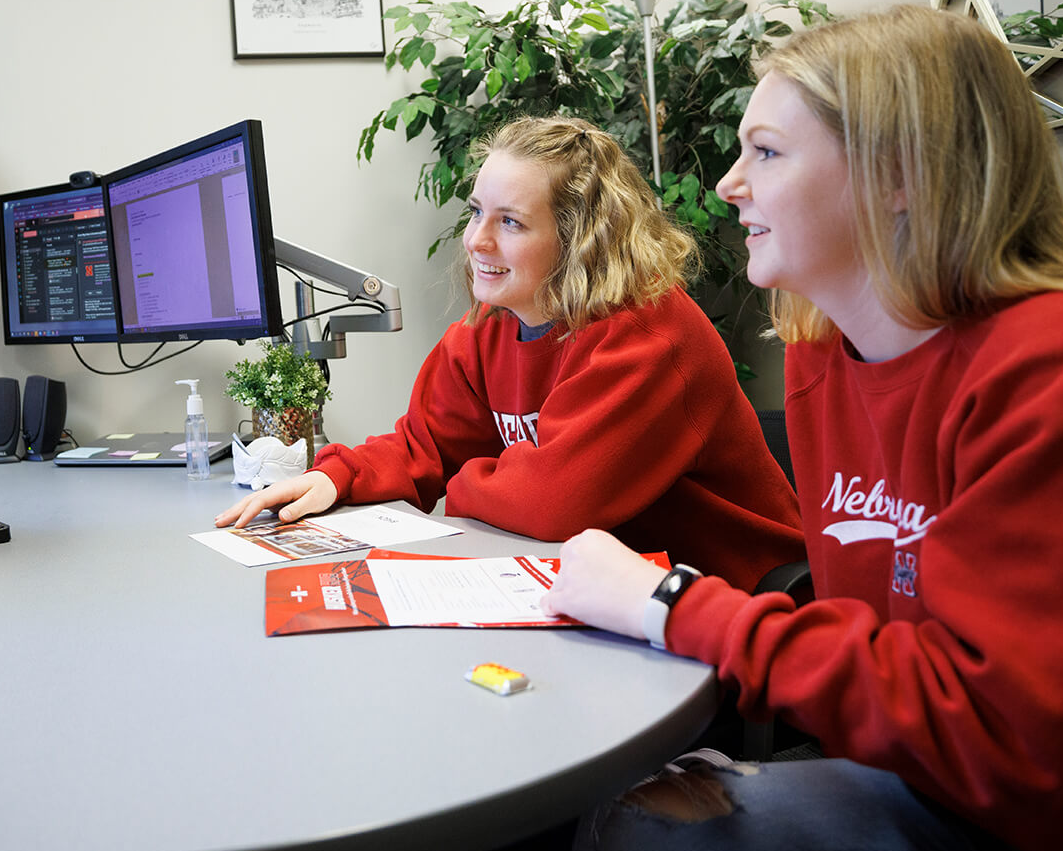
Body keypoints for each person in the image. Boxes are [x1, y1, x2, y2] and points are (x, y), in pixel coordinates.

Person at [543, 6, 1063, 851]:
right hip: (962, 799)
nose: (730, 183)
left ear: (900, 174)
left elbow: (1003, 740)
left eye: (767, 152)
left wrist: (675, 606)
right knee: (645, 831)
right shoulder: (822, 352)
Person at [217, 115, 802, 591]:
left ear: (579, 241)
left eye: (512, 222)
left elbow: (552, 503)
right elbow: (425, 446)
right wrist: (337, 478)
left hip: (735, 608)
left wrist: (462, 480)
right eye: (476, 212)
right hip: (611, 589)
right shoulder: (484, 333)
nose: (477, 240)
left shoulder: (649, 336)